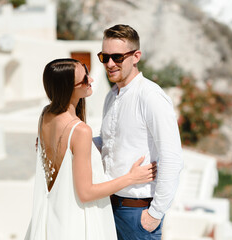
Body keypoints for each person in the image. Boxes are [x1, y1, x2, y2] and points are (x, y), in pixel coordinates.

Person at [24, 58, 156, 240]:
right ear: (69, 89)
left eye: (87, 71)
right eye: (85, 78)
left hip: (54, 217)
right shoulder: (79, 131)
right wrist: (131, 177)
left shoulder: (45, 116)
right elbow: (86, 193)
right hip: (76, 223)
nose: (91, 79)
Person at [96, 24, 183, 239]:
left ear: (136, 56)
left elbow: (172, 157)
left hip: (138, 213)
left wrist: (154, 214)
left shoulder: (151, 96)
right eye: (104, 57)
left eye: (117, 57)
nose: (109, 63)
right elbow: (108, 142)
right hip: (108, 208)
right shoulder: (111, 96)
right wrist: (64, 139)